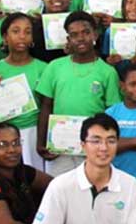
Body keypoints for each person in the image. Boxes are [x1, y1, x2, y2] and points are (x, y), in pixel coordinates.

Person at [34, 12, 121, 176]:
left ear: (95, 34)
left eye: (86, 32)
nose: (80, 38)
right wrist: (41, 141)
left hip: (93, 145)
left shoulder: (108, 72)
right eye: (74, 35)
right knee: (59, 189)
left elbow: (111, 113)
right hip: (60, 145)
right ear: (68, 40)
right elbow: (46, 106)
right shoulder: (54, 67)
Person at [0, 13, 47, 169]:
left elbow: (47, 105)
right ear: (5, 37)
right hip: (3, 135)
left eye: (27, 32)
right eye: (16, 31)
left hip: (33, 133)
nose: (22, 37)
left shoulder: (44, 68)